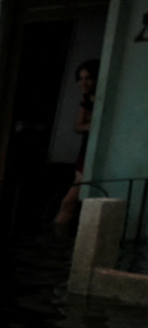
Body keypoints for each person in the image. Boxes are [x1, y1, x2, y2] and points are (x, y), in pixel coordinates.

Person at [53, 59, 98, 229]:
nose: (83, 83)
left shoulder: (104, 98)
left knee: (69, 201)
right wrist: (90, 126)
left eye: (88, 78)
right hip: (84, 152)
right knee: (71, 200)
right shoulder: (86, 98)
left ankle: (59, 232)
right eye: (81, 78)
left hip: (93, 153)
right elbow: (78, 126)